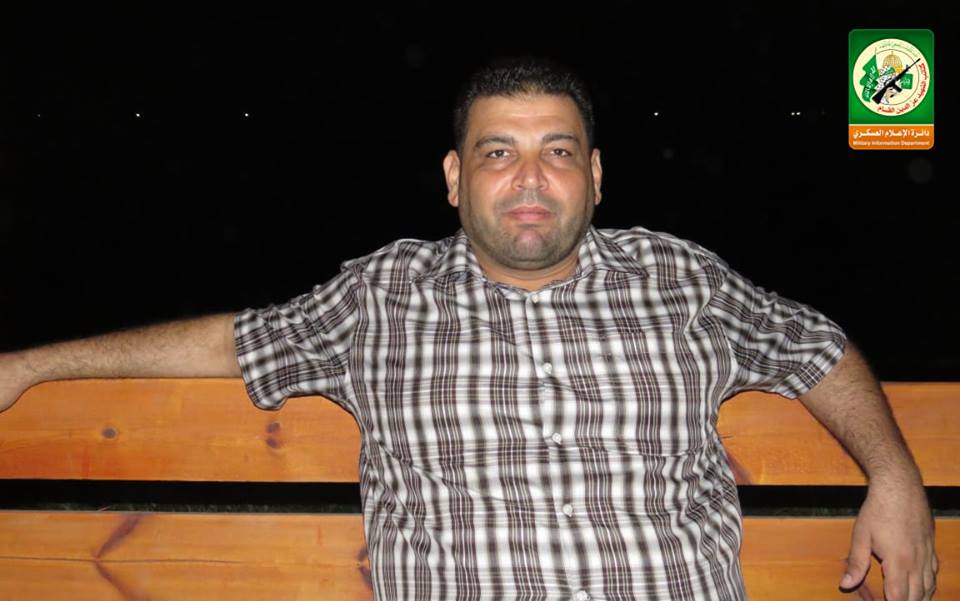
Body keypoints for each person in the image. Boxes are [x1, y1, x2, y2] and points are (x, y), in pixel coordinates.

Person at [0, 56, 937, 600]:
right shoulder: (381, 294)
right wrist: (30, 364)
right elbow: (227, 342)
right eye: (498, 152)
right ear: (455, 179)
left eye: (557, 151)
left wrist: (895, 475)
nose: (529, 177)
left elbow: (812, 345)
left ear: (595, 177)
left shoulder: (680, 277)